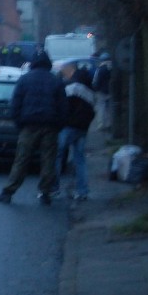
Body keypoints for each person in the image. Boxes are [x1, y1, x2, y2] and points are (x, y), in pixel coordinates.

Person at [0, 51, 67, 205]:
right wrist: (59, 126)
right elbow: (63, 108)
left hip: (28, 125)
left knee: (21, 160)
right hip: (50, 126)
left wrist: (19, 123)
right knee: (48, 160)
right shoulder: (55, 81)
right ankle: (45, 192)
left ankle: (8, 192)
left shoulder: (24, 80)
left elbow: (15, 105)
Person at [54, 66, 96, 201]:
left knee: (57, 156)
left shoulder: (71, 87)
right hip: (83, 128)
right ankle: (82, 190)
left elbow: (63, 107)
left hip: (69, 127)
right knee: (80, 159)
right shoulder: (90, 91)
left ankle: (54, 187)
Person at [92, 52, 112, 131]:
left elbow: (96, 81)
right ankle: (109, 123)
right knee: (109, 108)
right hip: (111, 91)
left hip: (101, 91)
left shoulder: (101, 69)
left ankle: (101, 124)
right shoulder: (113, 68)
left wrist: (95, 89)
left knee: (101, 108)